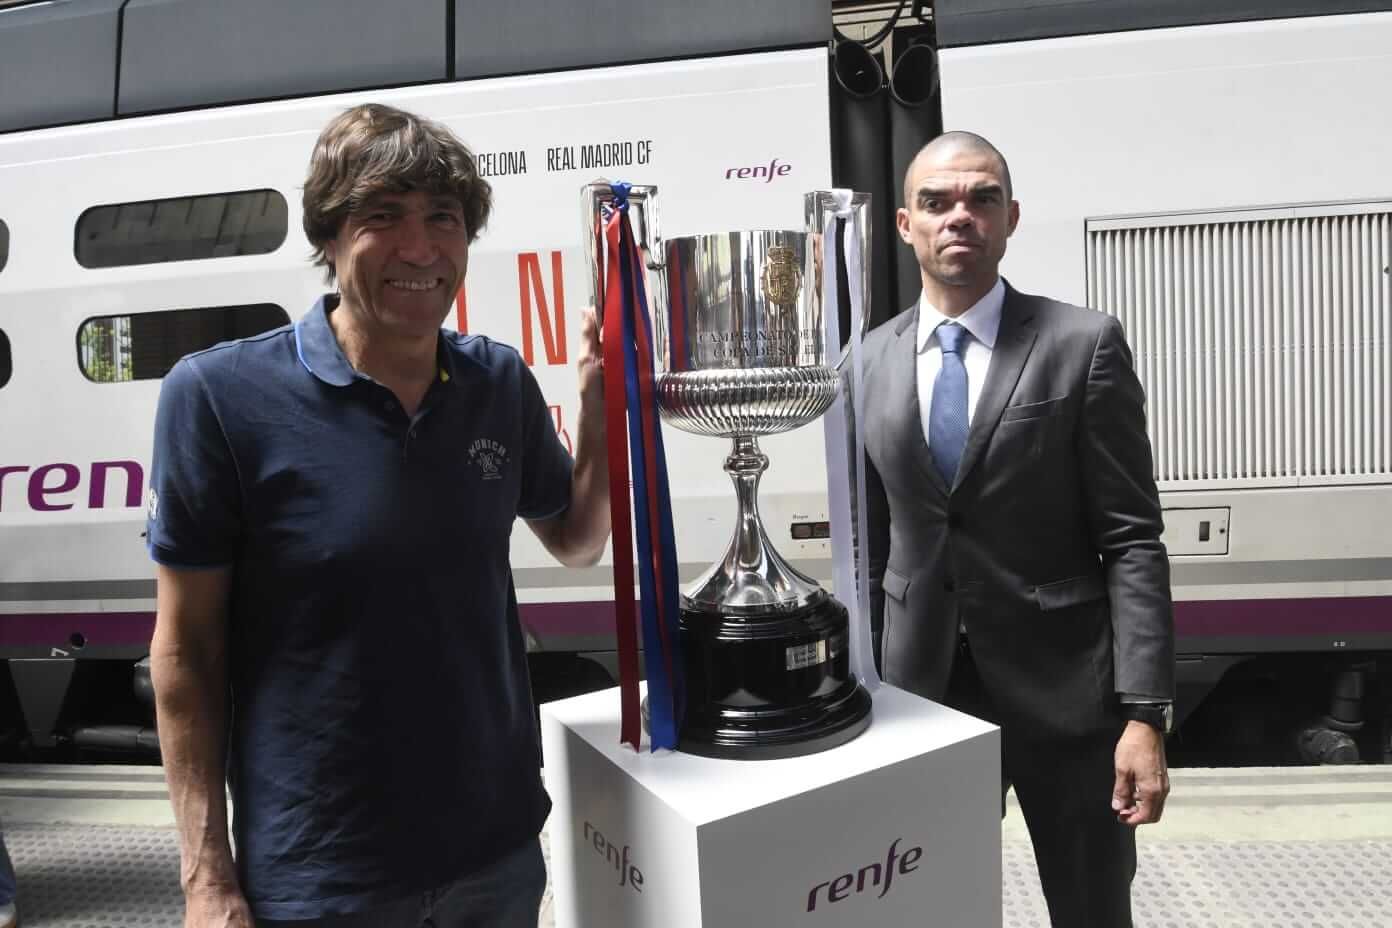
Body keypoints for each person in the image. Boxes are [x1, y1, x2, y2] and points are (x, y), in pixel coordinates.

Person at [147, 103, 609, 926]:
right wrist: (206, 878)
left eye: (444, 219)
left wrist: (603, 414)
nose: (421, 248)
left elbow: (576, 540)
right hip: (324, 878)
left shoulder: (496, 383)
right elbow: (187, 652)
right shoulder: (219, 398)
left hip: (496, 857)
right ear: (328, 235)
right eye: (383, 217)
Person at [861, 131, 1174, 927]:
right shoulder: (867, 362)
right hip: (922, 696)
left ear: (1011, 218)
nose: (958, 215)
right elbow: (869, 544)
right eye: (936, 201)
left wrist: (1144, 714)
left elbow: (1132, 539)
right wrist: (862, 691)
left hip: (1069, 697)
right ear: (905, 224)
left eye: (982, 198)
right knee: (930, 910)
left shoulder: (1081, 344)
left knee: (1091, 908)